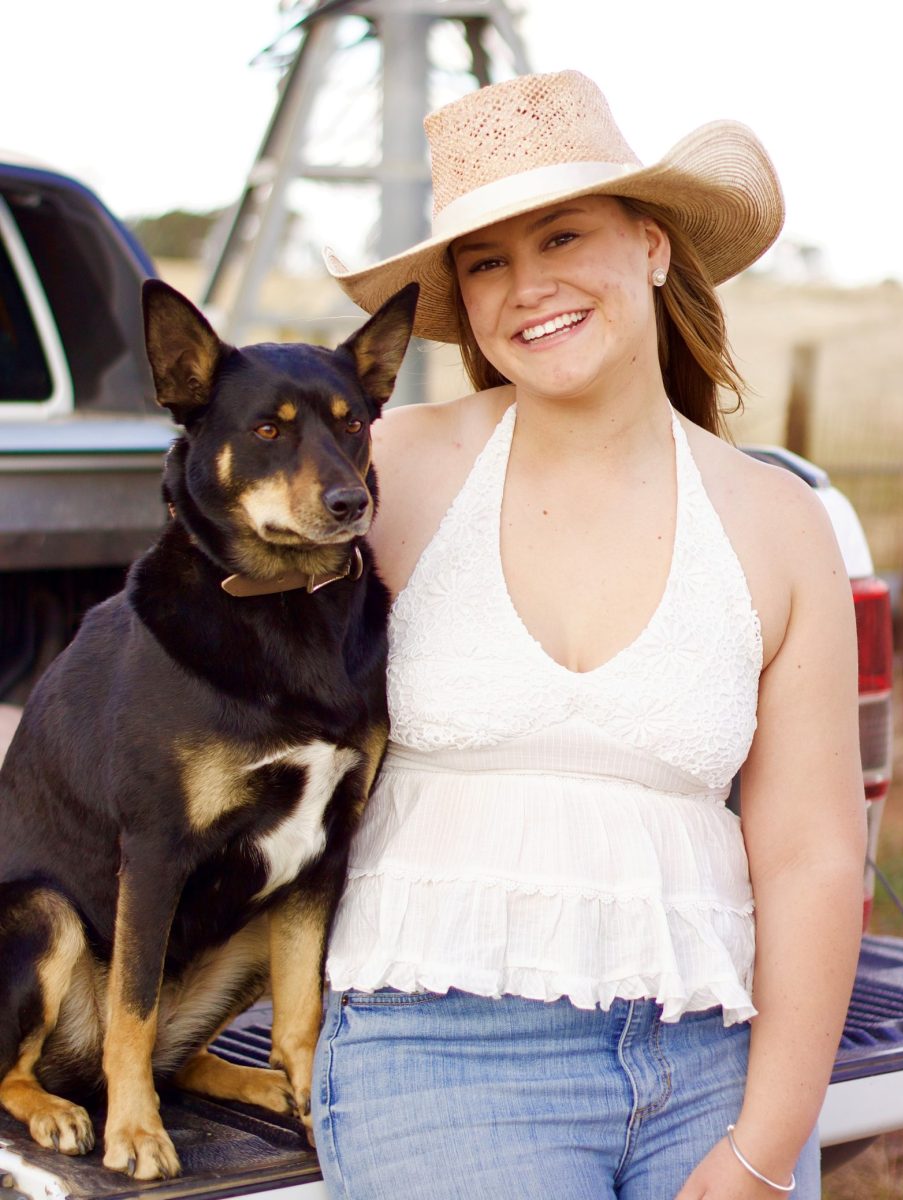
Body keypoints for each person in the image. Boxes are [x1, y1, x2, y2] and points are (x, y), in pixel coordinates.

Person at [312, 70, 866, 1200]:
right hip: (438, 1055)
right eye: (485, 262)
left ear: (652, 246)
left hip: (710, 1051)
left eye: (562, 236)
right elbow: (205, 681)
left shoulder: (775, 521)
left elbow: (811, 854)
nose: (528, 287)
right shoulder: (392, 474)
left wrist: (765, 1148)